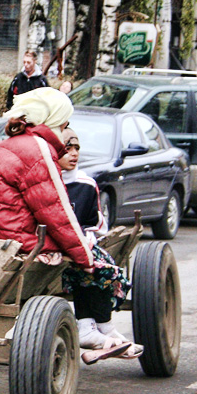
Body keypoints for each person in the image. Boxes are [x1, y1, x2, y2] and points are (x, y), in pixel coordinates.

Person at [0, 88, 131, 363]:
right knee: (97, 262)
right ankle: (91, 328)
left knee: (84, 252)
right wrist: (84, 256)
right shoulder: (37, 150)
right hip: (22, 238)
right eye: (64, 124)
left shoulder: (9, 144)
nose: (65, 130)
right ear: (50, 121)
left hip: (0, 233)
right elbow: (55, 212)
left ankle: (101, 328)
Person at [57, 128, 141, 359]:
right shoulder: (46, 182)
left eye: (77, 149)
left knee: (103, 267)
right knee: (92, 268)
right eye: (67, 149)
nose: (73, 154)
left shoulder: (85, 183)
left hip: (79, 243)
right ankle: (87, 326)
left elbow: (97, 225)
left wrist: (84, 239)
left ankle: (103, 326)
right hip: (55, 248)